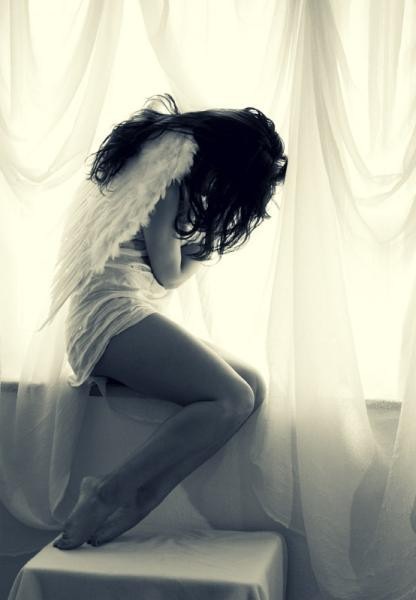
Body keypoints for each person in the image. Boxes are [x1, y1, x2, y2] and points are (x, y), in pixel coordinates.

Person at [51, 94, 287, 550]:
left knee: (253, 386)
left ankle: (146, 492)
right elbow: (168, 274)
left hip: (122, 312)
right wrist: (203, 250)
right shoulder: (167, 177)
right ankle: (113, 491)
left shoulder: (162, 159)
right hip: (108, 316)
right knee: (233, 396)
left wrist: (195, 243)